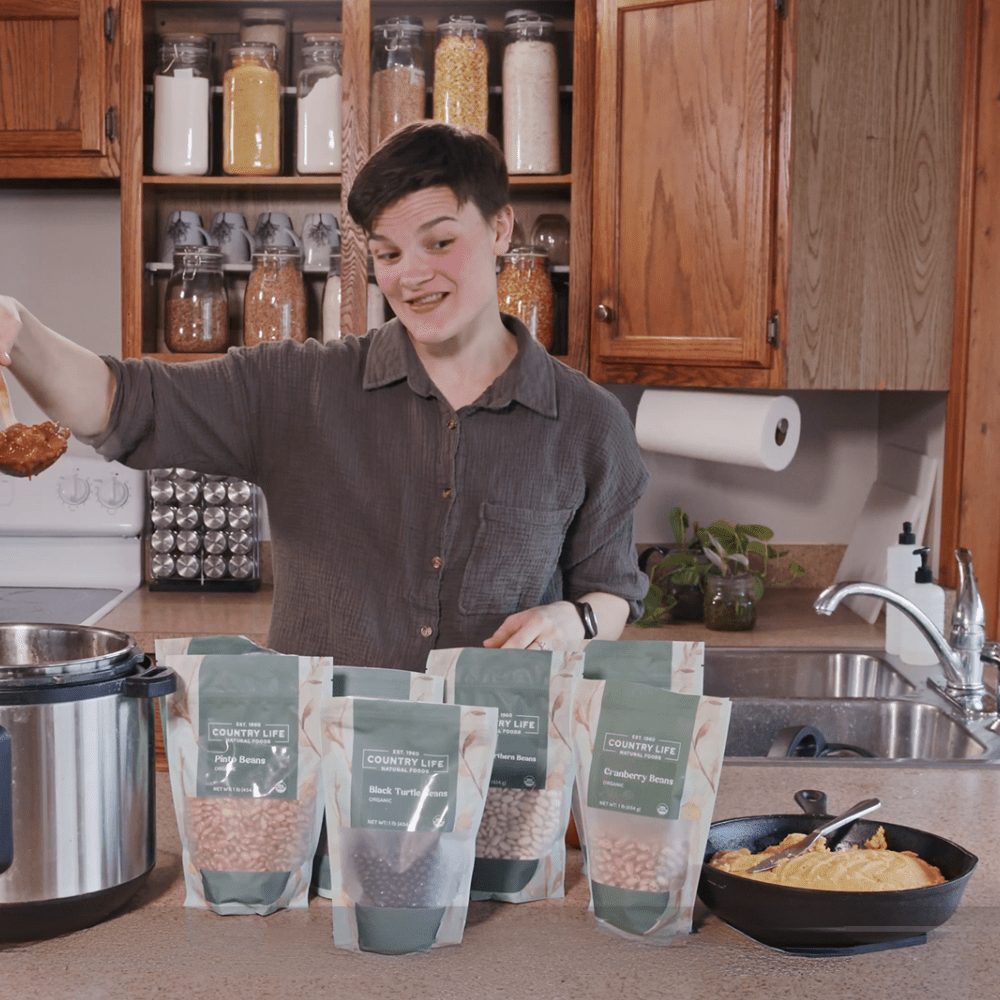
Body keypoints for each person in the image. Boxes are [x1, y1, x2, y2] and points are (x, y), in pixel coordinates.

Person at [0, 122, 649, 670]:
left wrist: (578, 621)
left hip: (498, 787)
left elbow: (612, 593)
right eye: (389, 254)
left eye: (441, 242)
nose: (412, 276)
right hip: (324, 792)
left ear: (501, 227)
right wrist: (16, 329)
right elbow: (119, 401)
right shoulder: (295, 389)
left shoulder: (589, 424)